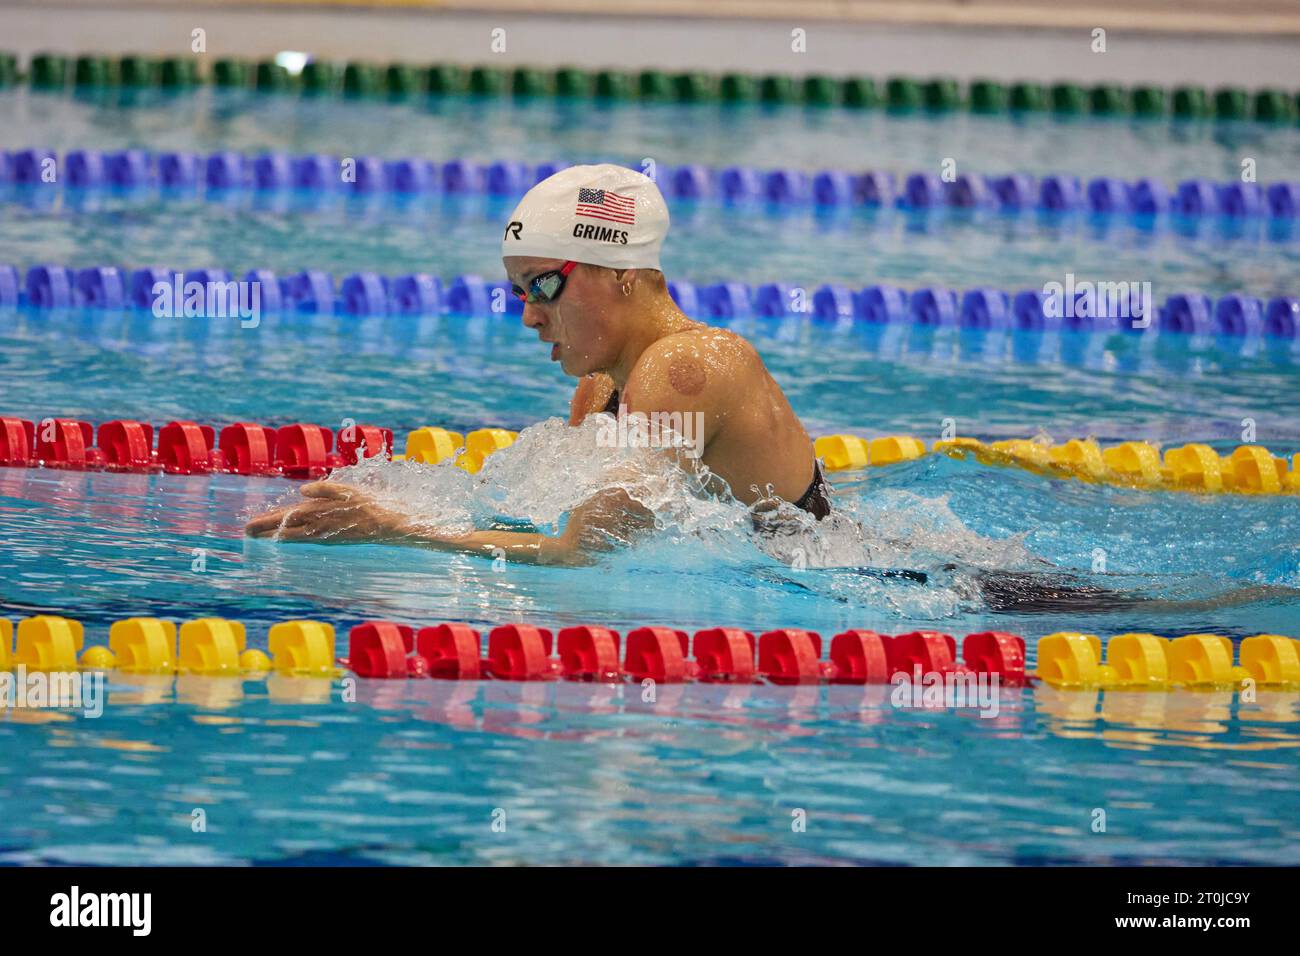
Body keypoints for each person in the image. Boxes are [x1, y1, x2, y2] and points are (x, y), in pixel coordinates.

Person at [245, 164, 831, 564]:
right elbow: (560, 531)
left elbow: (585, 554)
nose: (530, 317)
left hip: (840, 585)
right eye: (519, 293)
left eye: (544, 285)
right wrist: (393, 505)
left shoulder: (687, 367)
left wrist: (397, 532)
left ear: (621, 272)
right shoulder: (601, 389)